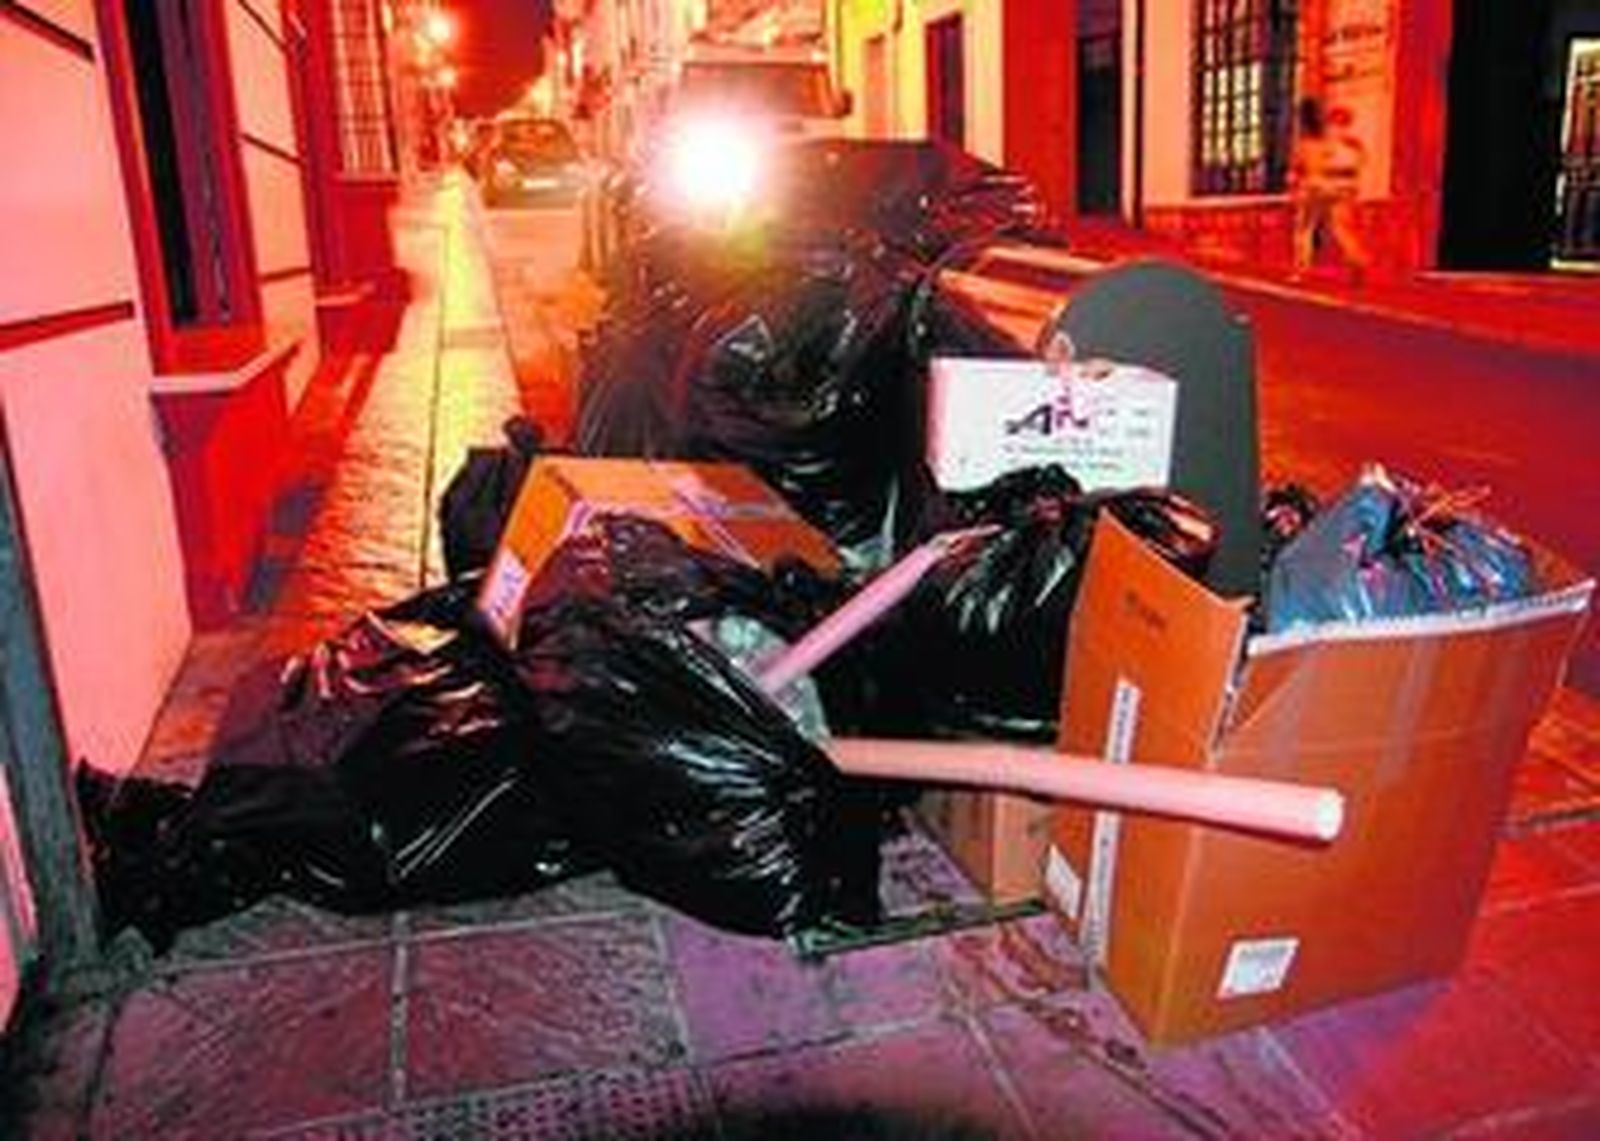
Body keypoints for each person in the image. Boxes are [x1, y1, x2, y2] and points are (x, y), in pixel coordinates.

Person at [1290, 97, 1369, 279]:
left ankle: (1300, 270)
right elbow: (1360, 165)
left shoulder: (1316, 141)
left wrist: (1297, 183)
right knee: (1341, 228)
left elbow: (1301, 166)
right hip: (1343, 189)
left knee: (1304, 229)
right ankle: (1356, 257)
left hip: (1314, 187)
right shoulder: (1354, 144)